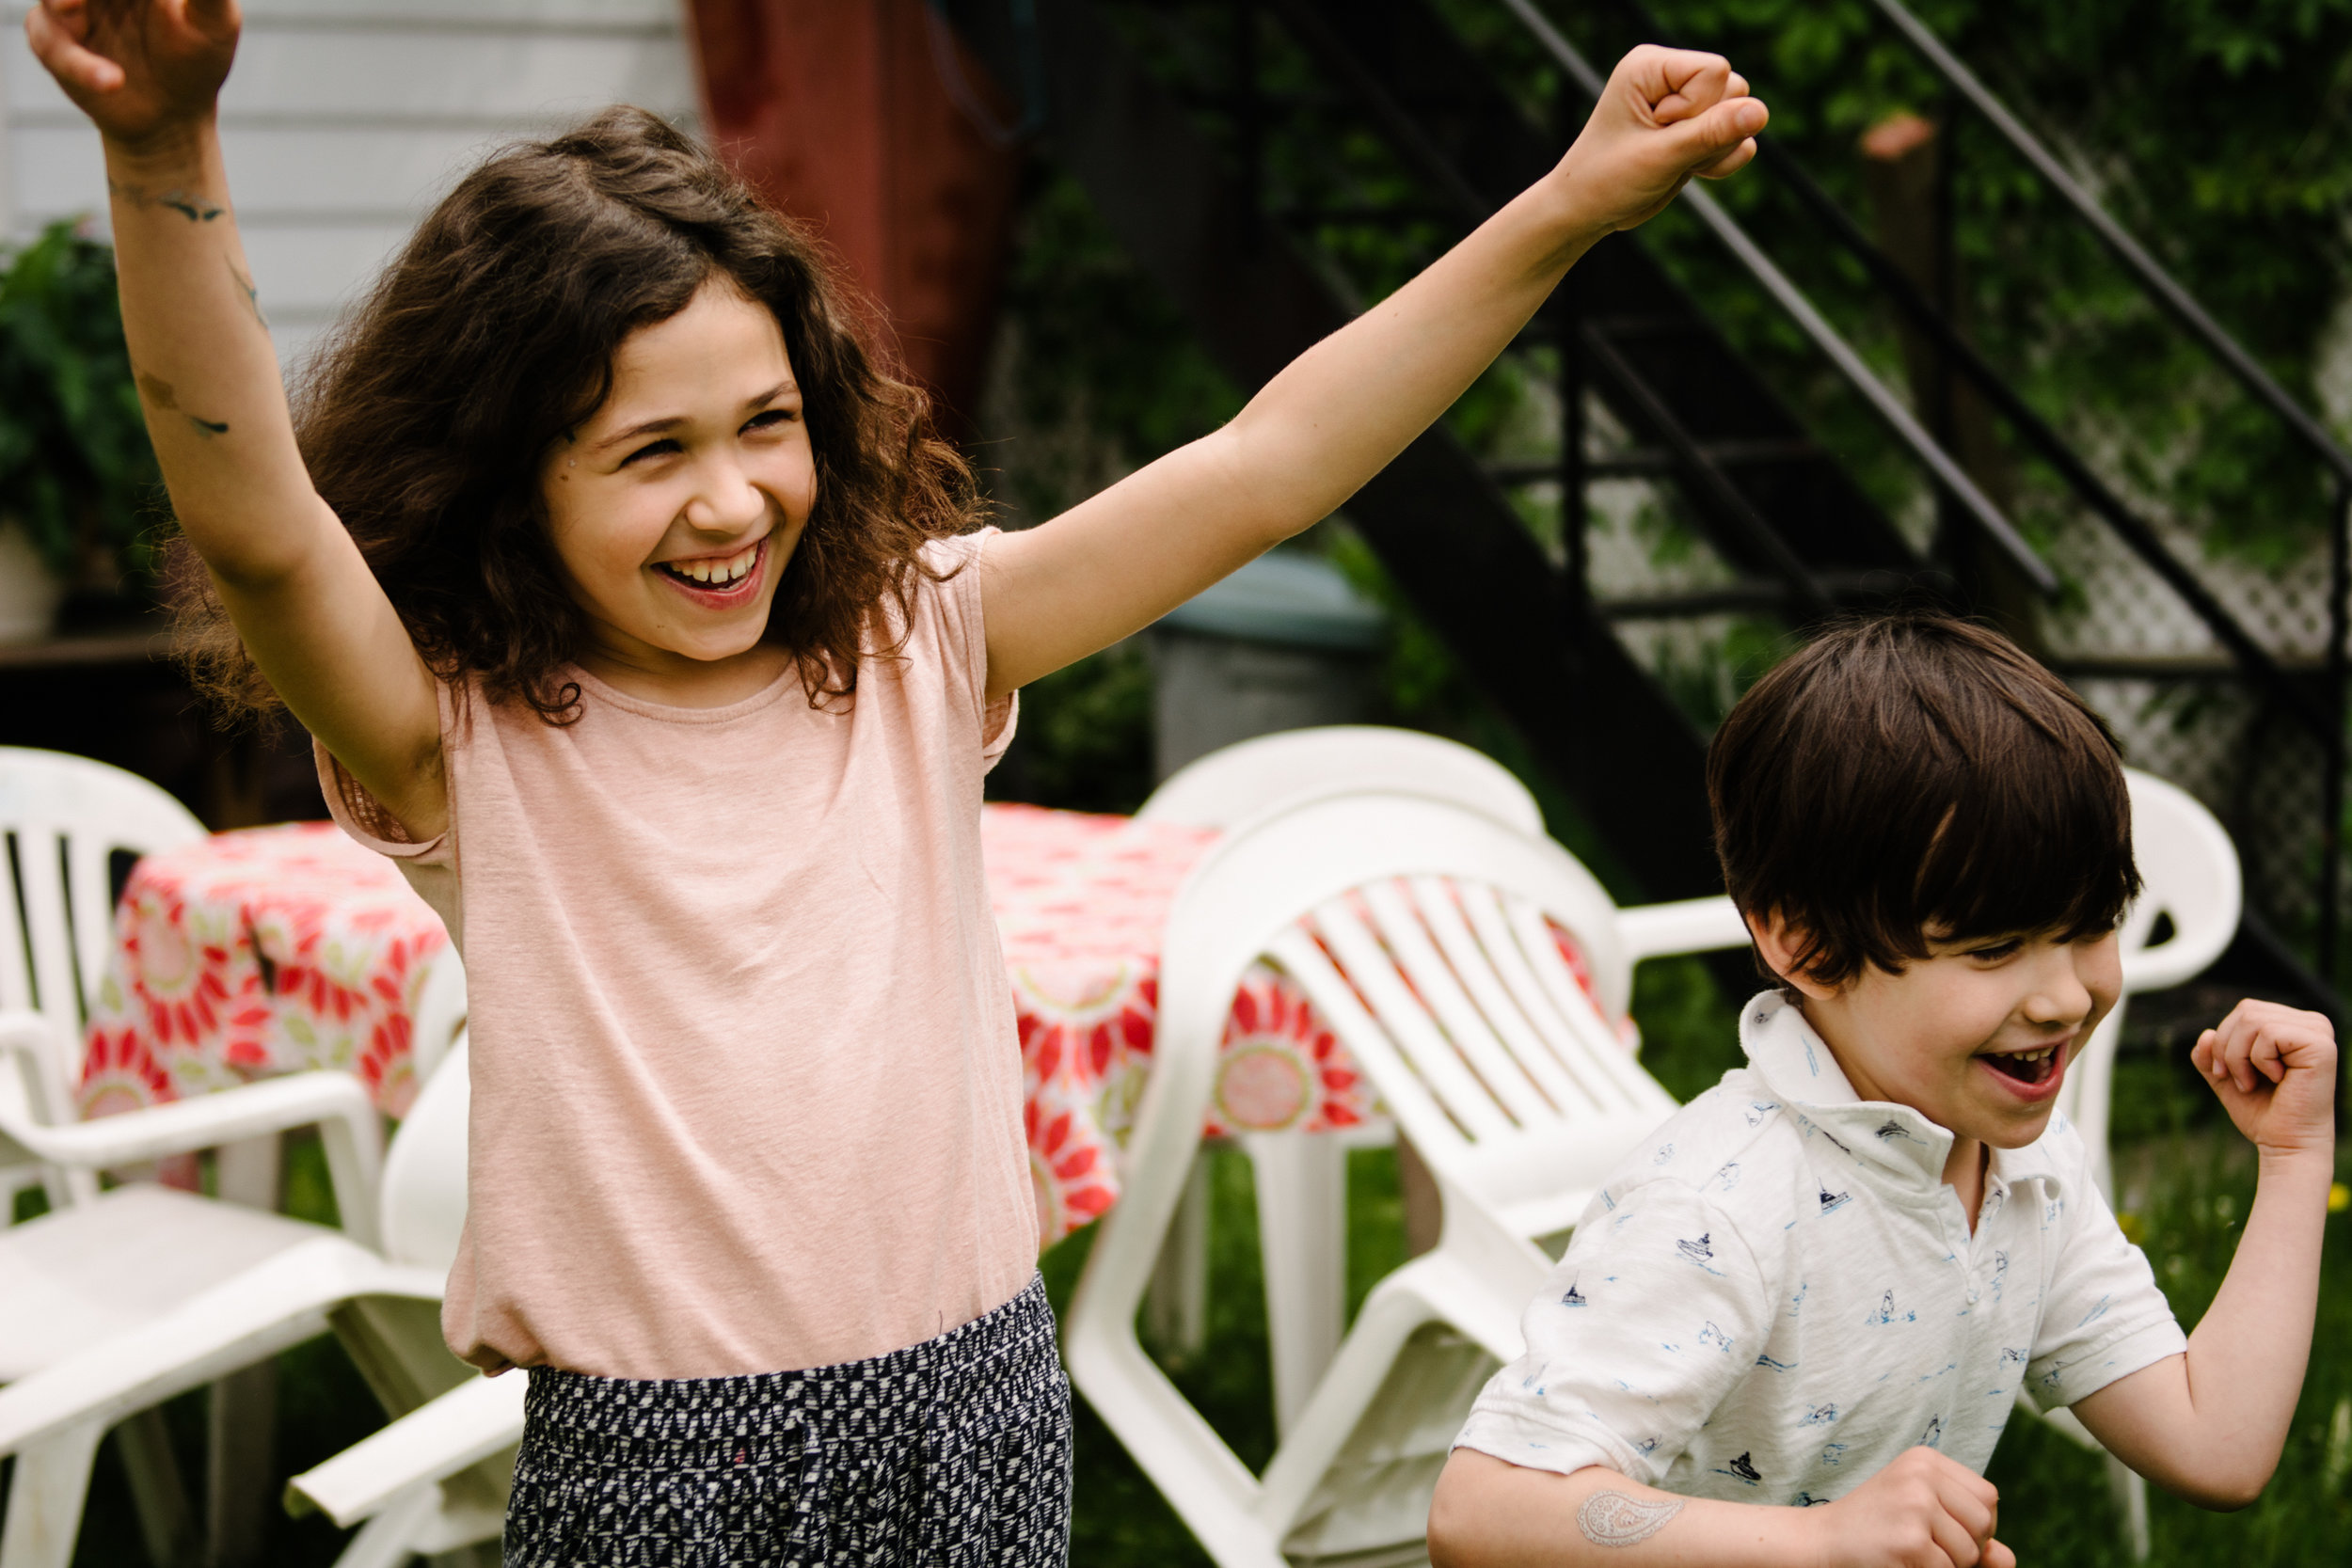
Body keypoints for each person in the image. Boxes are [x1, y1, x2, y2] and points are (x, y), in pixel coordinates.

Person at [29, 0, 1778, 1559]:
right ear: (510, 482)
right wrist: (163, 150)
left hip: (981, 1405)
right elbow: (259, 523)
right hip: (656, 1457)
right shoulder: (464, 735)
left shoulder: (918, 641)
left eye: (764, 424)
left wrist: (1567, 203)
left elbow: (1270, 463)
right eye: (651, 452)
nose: (730, 503)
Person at [1427, 613, 2338, 1568]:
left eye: (2090, 924)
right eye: (1993, 948)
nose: (2067, 993)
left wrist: (2290, 1156)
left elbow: (2216, 1445)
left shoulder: (2024, 1162)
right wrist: (1821, 1542)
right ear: (1808, 944)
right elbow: (1481, 1510)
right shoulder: (1721, 1208)